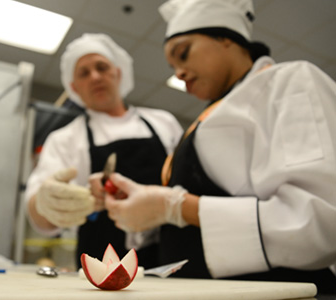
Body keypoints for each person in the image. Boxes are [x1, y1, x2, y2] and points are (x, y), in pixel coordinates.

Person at [101, 0, 336, 293]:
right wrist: (143, 207)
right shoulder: (202, 121)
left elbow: (321, 226)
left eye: (183, 54)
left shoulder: (291, 83)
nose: (179, 73)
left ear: (226, 37)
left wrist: (177, 207)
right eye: (173, 67)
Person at [25, 33, 183, 270]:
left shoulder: (163, 122)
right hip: (103, 268)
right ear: (73, 87)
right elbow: (38, 214)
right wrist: (46, 203)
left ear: (118, 73)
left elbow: (187, 182)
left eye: (102, 67)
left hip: (171, 258)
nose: (95, 76)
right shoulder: (64, 139)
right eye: (84, 73)